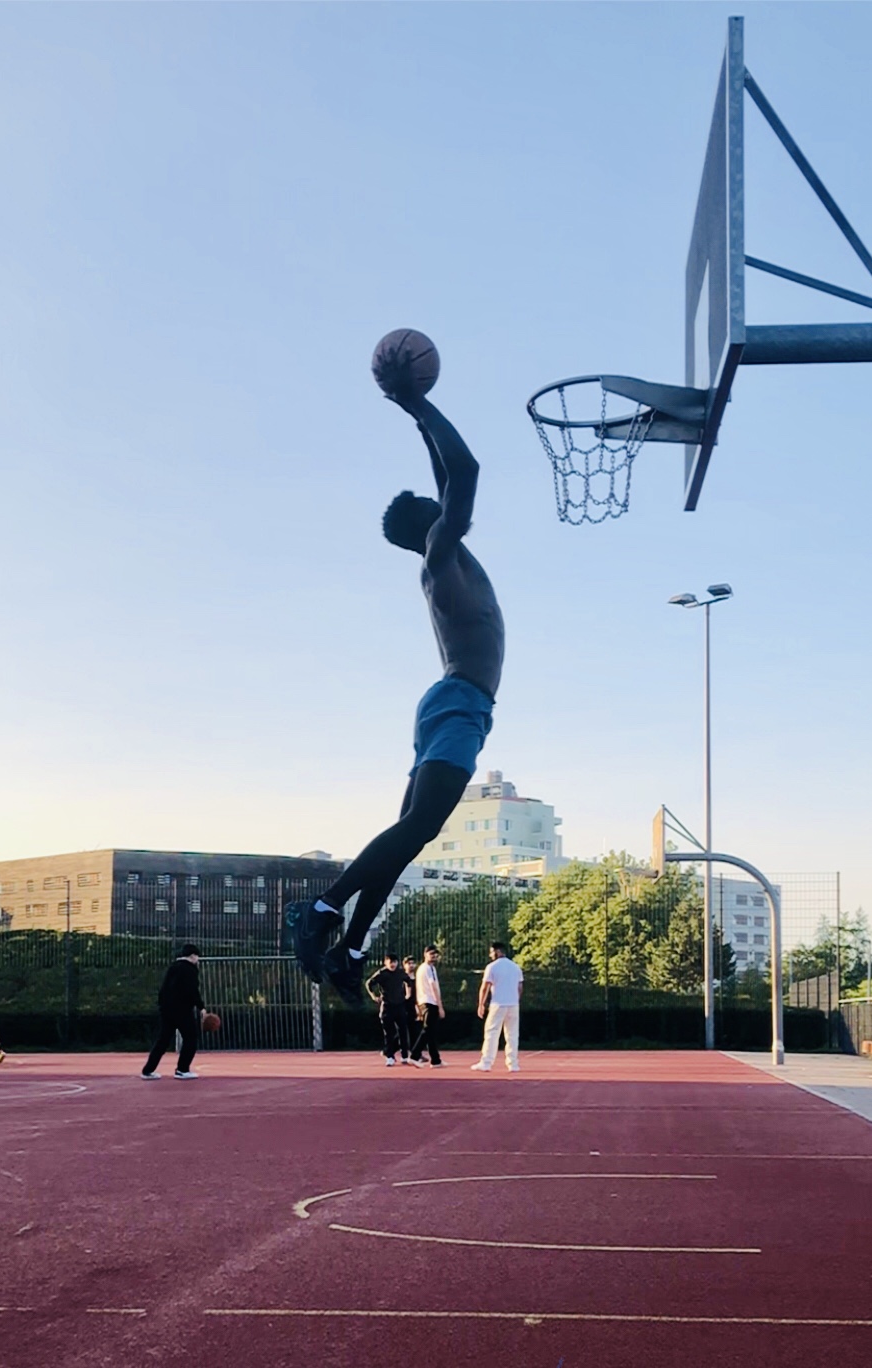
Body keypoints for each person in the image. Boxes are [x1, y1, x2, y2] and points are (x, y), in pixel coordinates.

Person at [285, 362, 505, 1007]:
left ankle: (350, 951)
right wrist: (417, 404)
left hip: (449, 701)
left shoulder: (445, 552)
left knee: (411, 831)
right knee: (418, 830)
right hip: (461, 700)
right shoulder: (442, 551)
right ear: (430, 521)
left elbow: (445, 476)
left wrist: (414, 414)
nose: (445, 500)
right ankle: (322, 912)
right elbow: (464, 473)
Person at [141, 944, 208, 1080]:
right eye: (197, 957)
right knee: (191, 1039)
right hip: (182, 1010)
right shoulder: (190, 969)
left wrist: (162, 1006)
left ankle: (148, 1070)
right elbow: (192, 990)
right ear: (193, 956)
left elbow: (164, 989)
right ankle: (182, 1069)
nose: (198, 960)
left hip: (166, 1009)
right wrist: (201, 1006)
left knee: (163, 1040)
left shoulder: (173, 967)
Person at [471, 941, 524, 1073]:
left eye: (491, 952)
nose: (490, 955)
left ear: (497, 951)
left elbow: (485, 987)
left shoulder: (492, 967)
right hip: (513, 1004)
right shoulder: (515, 967)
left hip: (498, 1004)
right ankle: (513, 1064)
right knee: (512, 1034)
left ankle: (486, 1062)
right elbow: (520, 987)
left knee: (491, 1033)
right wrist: (515, 999)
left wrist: (481, 1004)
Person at [366, 950, 418, 1067]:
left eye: (394, 962)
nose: (392, 964)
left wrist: (408, 994)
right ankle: (390, 1056)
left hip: (400, 1005)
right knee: (388, 1033)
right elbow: (369, 983)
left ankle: (404, 1056)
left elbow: (409, 982)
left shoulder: (400, 973)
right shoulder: (382, 974)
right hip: (387, 1006)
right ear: (386, 962)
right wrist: (374, 996)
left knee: (403, 1031)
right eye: (390, 962)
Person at [410, 945, 447, 1068]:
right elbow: (433, 987)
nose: (434, 957)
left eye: (436, 955)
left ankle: (435, 1060)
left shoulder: (423, 969)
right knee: (427, 1030)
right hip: (430, 1002)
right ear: (425, 954)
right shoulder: (428, 969)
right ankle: (414, 1055)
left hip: (424, 1002)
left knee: (430, 1031)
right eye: (432, 954)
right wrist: (440, 1006)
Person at [402, 955, 420, 1056]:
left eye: (413, 963)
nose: (411, 965)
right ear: (404, 965)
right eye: (409, 963)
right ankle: (389, 1050)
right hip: (403, 1007)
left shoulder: (417, 978)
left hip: (413, 1006)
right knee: (403, 1030)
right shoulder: (401, 978)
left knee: (414, 1030)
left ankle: (415, 1053)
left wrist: (418, 1005)